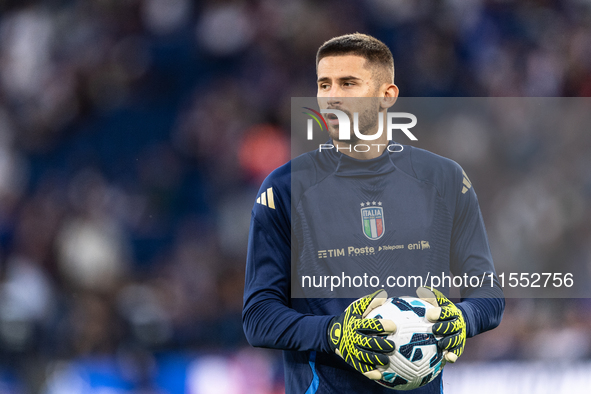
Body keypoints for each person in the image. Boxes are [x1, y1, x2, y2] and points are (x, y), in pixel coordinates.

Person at [243, 33, 504, 393]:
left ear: (387, 96)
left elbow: (488, 292)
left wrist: (463, 318)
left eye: (348, 83)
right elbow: (258, 317)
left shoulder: (444, 180)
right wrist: (335, 333)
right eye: (324, 84)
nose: (332, 96)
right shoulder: (284, 190)